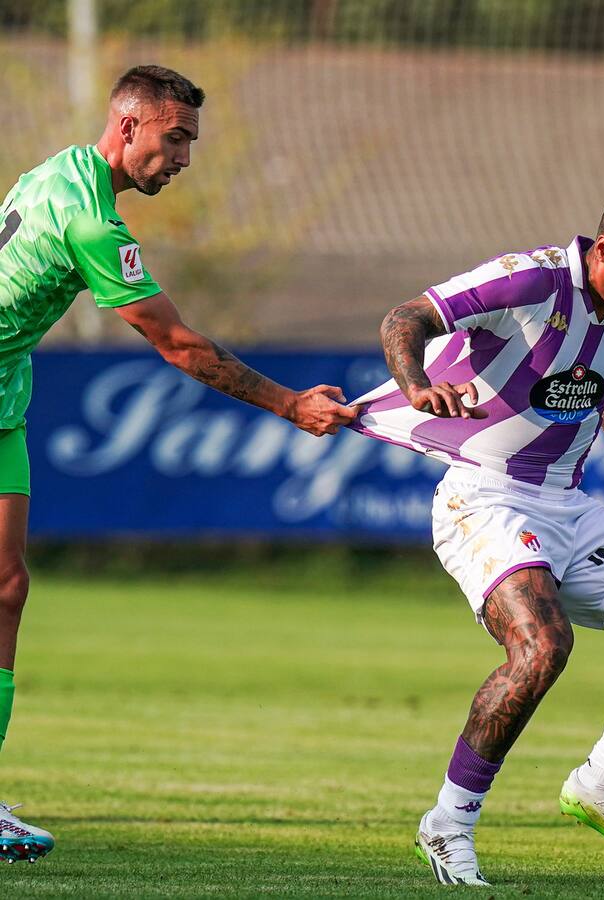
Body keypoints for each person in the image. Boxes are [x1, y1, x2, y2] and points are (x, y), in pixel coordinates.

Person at [0, 65, 358, 861]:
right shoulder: (90, 221)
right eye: (176, 138)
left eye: (191, 140)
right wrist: (291, 404)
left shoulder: (57, 168)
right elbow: (178, 344)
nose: (185, 157)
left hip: (6, 398)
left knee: (7, 588)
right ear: (128, 127)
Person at [350, 192, 604, 886]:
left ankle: (603, 782)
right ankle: (448, 823)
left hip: (566, 502)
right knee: (543, 646)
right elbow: (406, 317)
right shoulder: (530, 279)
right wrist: (414, 385)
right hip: (483, 494)